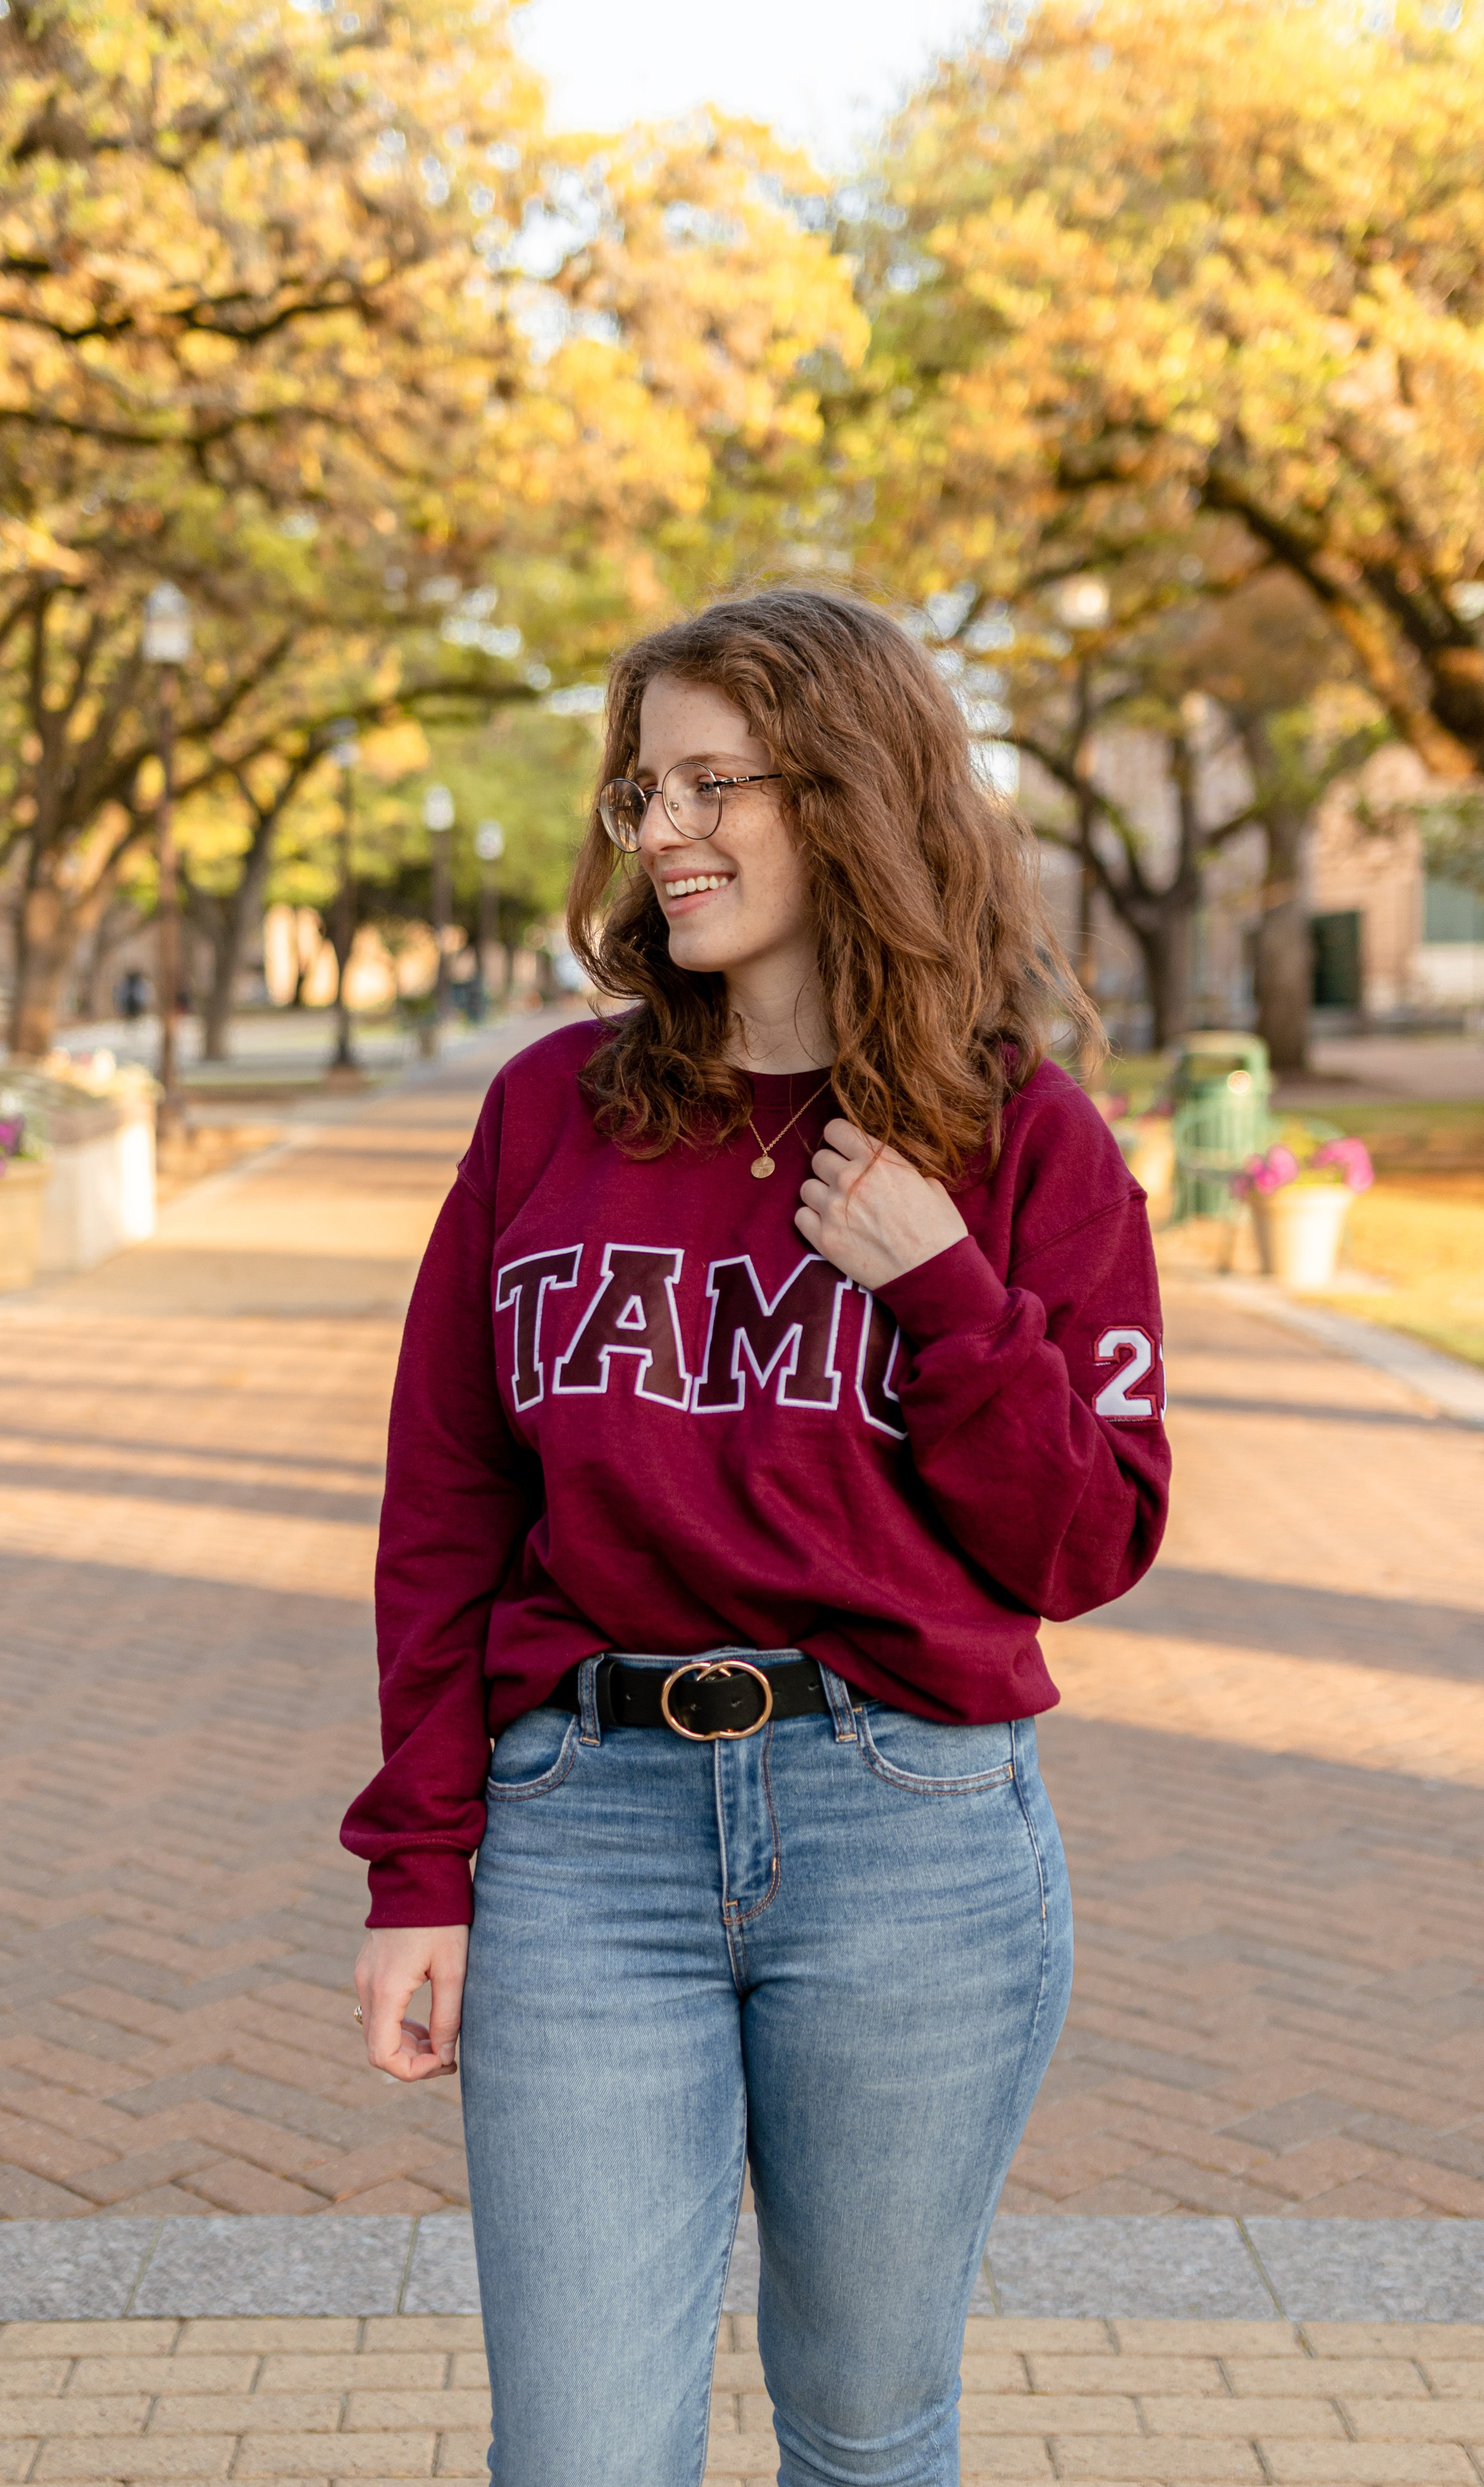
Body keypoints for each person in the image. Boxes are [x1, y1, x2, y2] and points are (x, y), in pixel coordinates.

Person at [343, 586, 1171, 2487]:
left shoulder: (1022, 1146)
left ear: (858, 800)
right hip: (584, 1836)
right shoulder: (551, 1112)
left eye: (721, 782)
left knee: (869, 2430)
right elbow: (447, 1514)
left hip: (912, 1839)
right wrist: (417, 1863)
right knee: (580, 2454)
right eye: (644, 789)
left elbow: (1088, 1540)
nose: (667, 832)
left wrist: (951, 1290)